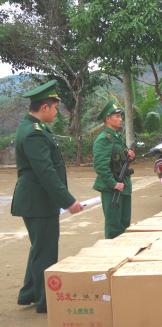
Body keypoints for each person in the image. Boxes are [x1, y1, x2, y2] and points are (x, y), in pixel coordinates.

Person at [12, 80, 83, 314]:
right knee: (45, 252)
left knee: (39, 248)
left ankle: (29, 294)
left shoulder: (35, 127)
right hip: (38, 201)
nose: (56, 112)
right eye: (55, 107)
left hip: (38, 200)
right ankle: (45, 303)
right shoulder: (33, 133)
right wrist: (68, 201)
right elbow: (46, 172)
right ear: (45, 108)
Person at [93, 100, 135, 239]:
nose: (120, 119)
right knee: (113, 225)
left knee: (124, 224)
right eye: (117, 116)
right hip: (112, 187)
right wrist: (113, 184)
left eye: (120, 116)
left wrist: (130, 157)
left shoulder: (117, 137)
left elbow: (119, 160)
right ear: (108, 119)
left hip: (124, 185)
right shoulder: (104, 139)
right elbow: (100, 166)